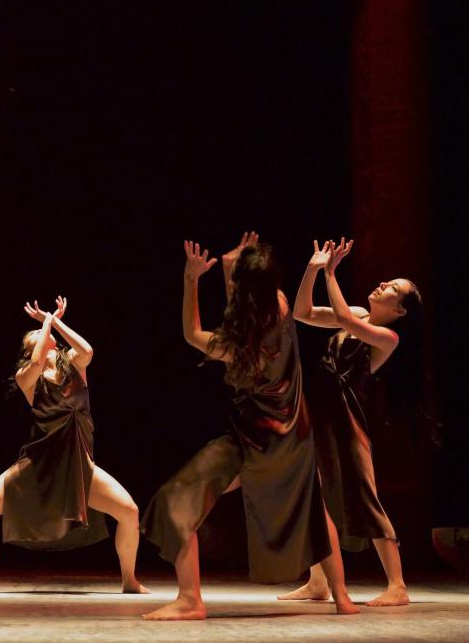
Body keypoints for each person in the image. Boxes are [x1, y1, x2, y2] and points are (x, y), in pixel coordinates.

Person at [141, 235, 358, 620]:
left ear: (243, 289)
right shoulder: (281, 306)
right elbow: (249, 309)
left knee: (176, 500)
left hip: (252, 442)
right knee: (312, 508)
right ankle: (342, 597)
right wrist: (231, 269)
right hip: (294, 435)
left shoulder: (235, 346)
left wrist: (191, 279)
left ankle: (190, 599)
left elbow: (192, 333)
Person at [0, 297, 149, 595]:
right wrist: (45, 322)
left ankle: (129, 580)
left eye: (46, 335)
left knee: (129, 511)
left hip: (78, 467)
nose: (44, 337)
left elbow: (87, 350)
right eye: (37, 337)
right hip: (37, 466)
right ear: (30, 351)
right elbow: (35, 363)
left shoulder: (75, 367)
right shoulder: (27, 379)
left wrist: (55, 320)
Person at [281, 238, 420, 607]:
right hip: (320, 414)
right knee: (315, 496)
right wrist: (313, 269)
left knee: (364, 495)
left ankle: (397, 585)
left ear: (400, 310)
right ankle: (318, 582)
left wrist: (331, 273)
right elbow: (303, 312)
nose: (383, 284)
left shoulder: (388, 338)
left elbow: (342, 319)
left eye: (393, 289)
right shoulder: (358, 312)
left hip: (346, 419)